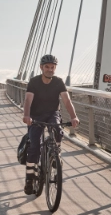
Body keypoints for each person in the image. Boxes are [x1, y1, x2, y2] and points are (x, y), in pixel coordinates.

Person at [22, 54, 79, 194]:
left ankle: (55, 154)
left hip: (52, 113)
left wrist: (74, 117)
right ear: (41, 67)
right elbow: (28, 100)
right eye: (47, 67)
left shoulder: (58, 82)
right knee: (34, 144)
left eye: (52, 67)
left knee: (59, 132)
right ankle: (30, 178)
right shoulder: (34, 82)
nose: (50, 69)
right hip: (36, 115)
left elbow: (67, 101)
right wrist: (27, 115)